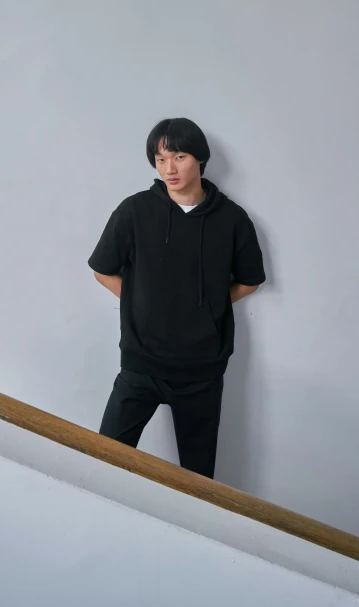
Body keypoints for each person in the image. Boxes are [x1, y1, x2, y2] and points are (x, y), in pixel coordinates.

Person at [88, 117, 265, 479]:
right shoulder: (135, 211)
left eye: (179, 156)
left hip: (201, 372)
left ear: (200, 158)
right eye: (160, 158)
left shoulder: (232, 220)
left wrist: (205, 308)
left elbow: (250, 281)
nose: (169, 168)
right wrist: (142, 301)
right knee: (101, 462)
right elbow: (102, 269)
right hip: (141, 365)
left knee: (197, 480)